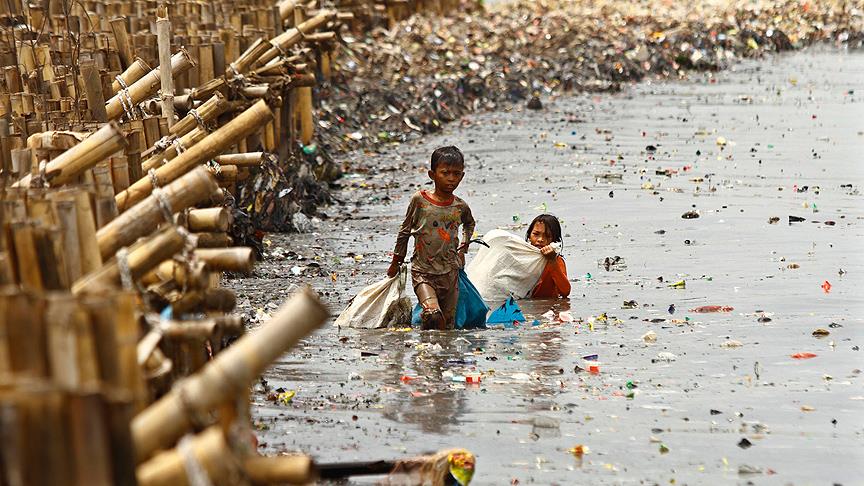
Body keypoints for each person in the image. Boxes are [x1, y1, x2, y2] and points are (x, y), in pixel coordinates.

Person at [387, 146, 476, 330]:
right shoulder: (420, 200)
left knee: (448, 327)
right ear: (432, 174)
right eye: (445, 173)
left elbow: (469, 224)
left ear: (462, 176)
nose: (451, 178)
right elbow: (404, 232)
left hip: (450, 274)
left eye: (456, 174)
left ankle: (441, 354)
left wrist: (463, 248)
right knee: (432, 314)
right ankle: (427, 355)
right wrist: (397, 261)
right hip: (423, 272)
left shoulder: (460, 206)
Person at [525, 214, 571, 299]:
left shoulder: (557, 261)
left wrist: (552, 261)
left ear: (554, 240)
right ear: (529, 236)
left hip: (547, 308)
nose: (540, 239)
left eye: (547, 236)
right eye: (536, 234)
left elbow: (565, 292)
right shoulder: (520, 257)